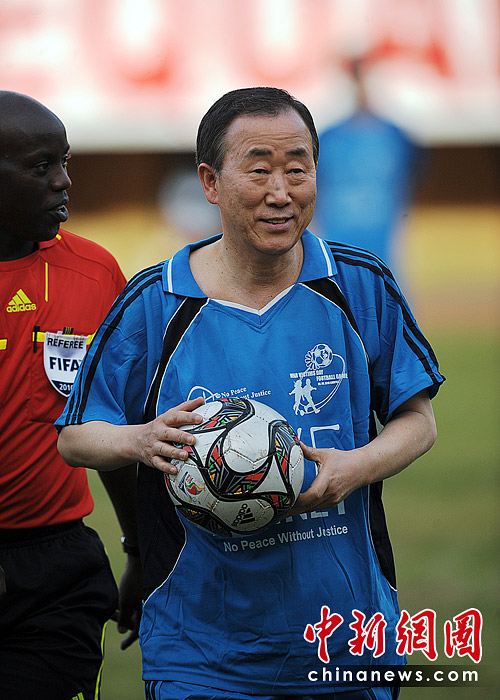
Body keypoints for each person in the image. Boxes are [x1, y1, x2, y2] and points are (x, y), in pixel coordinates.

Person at [57, 87, 444, 700]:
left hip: (347, 641)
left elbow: (418, 420)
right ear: (210, 182)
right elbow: (77, 437)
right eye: (259, 170)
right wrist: (140, 439)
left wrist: (357, 466)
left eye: (298, 169)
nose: (281, 192)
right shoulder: (155, 301)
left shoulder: (360, 284)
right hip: (199, 650)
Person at [0, 91, 142, 700]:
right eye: (40, 166)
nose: (63, 181)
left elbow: (116, 425)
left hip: (58, 567)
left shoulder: (95, 273)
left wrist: (139, 548)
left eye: (64, 162)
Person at [313, 57, 420, 274]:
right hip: (337, 240)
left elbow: (412, 179)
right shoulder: (328, 138)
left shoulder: (395, 137)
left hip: (383, 240)